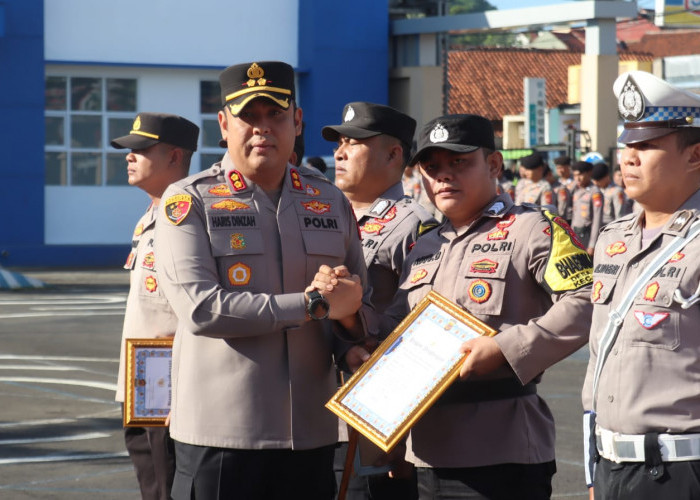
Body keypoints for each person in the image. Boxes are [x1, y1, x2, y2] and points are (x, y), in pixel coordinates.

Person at [318, 114, 594, 499]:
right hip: (424, 451)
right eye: (432, 168)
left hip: (500, 448)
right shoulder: (427, 244)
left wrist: (505, 347)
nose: (443, 176)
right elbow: (395, 326)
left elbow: (588, 300)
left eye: (459, 162)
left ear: (494, 165)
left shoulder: (533, 228)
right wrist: (352, 319)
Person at [154, 61, 371, 500]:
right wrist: (313, 306)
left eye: (275, 115)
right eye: (248, 116)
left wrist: (353, 335)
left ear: (297, 121)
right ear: (223, 124)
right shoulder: (188, 200)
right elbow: (202, 309)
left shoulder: (329, 200)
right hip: (222, 436)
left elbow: (356, 304)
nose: (262, 128)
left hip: (311, 436)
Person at [582, 70, 700, 500]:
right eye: (628, 144)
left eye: (647, 145)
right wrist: (595, 471)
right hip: (611, 466)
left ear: (695, 155)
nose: (628, 157)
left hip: (681, 473)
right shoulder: (613, 240)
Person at [322, 101, 438, 499]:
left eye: (354, 143)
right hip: (308, 413)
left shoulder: (415, 224)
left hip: (366, 424)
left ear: (393, 154)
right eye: (339, 143)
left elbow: (420, 330)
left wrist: (397, 442)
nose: (339, 152)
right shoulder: (323, 216)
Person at [112, 112, 200, 500]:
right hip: (140, 381)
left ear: (175, 156)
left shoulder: (187, 216)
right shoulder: (152, 213)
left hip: (167, 385)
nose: (129, 157)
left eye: (141, 149)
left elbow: (194, 311)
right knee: (152, 486)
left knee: (169, 487)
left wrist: (181, 390)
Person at [571, 161, 604, 256]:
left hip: (587, 235)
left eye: (580, 174)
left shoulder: (595, 192)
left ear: (589, 173)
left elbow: (597, 220)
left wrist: (592, 245)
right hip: (575, 234)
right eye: (574, 175)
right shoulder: (576, 190)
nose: (577, 178)